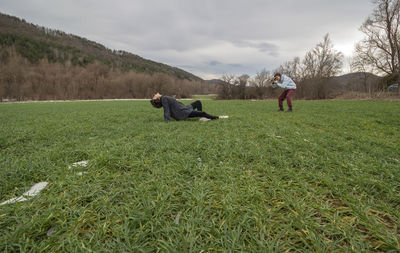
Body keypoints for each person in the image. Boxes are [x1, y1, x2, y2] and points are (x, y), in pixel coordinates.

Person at [150, 93, 226, 122]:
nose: (155, 94)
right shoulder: (164, 99)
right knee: (203, 113)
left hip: (184, 108)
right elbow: (166, 110)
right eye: (154, 96)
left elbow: (167, 109)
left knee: (198, 102)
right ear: (157, 98)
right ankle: (218, 117)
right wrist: (167, 121)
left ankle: (201, 117)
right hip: (183, 113)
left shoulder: (164, 98)